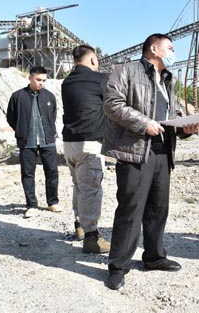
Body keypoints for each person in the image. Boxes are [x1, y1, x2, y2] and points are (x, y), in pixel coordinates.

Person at [102, 33, 199, 290]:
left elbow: (168, 116)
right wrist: (144, 123)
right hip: (135, 151)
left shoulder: (166, 79)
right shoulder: (125, 71)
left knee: (158, 208)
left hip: (162, 152)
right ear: (154, 49)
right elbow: (112, 104)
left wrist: (184, 129)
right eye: (170, 47)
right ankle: (118, 267)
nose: (173, 52)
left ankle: (154, 257)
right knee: (131, 209)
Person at [62, 45, 110, 254]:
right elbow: (114, 105)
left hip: (69, 143)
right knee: (91, 189)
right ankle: (91, 238)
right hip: (89, 143)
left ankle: (80, 226)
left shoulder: (67, 82)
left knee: (79, 186)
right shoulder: (99, 80)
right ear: (92, 60)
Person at [6, 66, 60, 219]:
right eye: (38, 80)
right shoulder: (17, 96)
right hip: (26, 140)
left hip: (47, 139)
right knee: (28, 173)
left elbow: (53, 115)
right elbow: (11, 117)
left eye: (44, 80)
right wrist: (21, 129)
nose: (41, 83)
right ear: (30, 78)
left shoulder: (49, 96)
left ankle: (52, 202)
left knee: (52, 171)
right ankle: (31, 205)